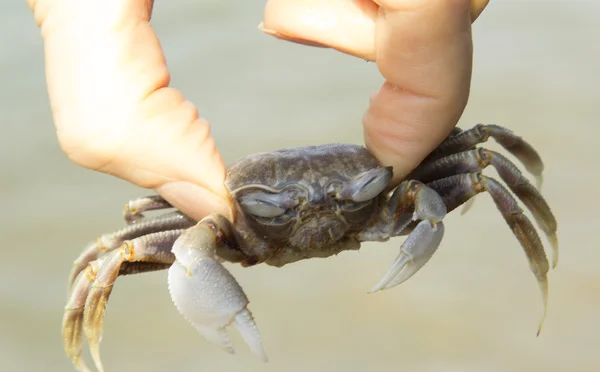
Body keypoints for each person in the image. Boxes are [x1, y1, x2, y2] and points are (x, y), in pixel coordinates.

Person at [27, 0, 488, 221]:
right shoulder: (232, 223)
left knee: (480, 161)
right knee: (118, 255)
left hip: (369, 198)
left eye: (336, 195)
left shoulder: (386, 192)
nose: (319, 207)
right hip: (258, 220)